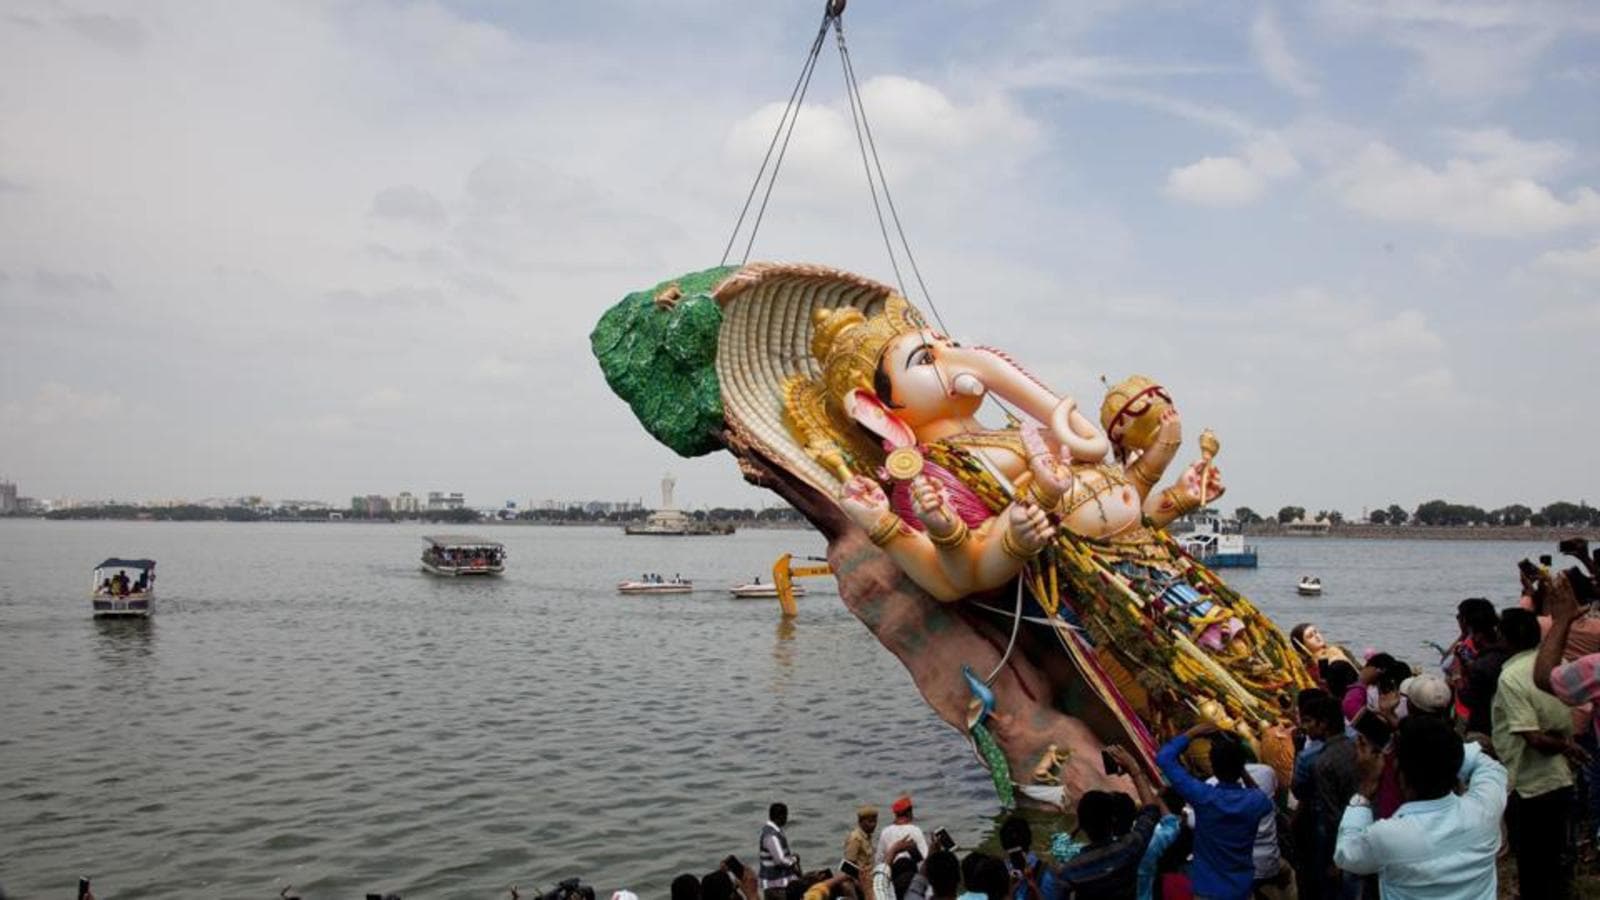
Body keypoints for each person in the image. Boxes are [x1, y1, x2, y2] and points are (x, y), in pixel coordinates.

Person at [1333, 716, 1507, 899]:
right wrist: (1440, 748)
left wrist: (1366, 787)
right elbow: (1488, 765)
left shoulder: (1388, 836)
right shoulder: (1485, 810)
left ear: (1400, 772)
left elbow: (1346, 854)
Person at [1493, 606, 1588, 900]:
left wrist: (1564, 746)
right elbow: (1577, 713)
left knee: (1532, 863)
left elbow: (1532, 736)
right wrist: (1568, 744)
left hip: (1529, 784)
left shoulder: (1511, 677)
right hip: (1561, 778)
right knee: (1557, 857)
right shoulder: (1558, 663)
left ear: (1505, 639)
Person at [1156, 722, 1273, 900]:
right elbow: (1259, 794)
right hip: (1241, 890)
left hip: (1208, 890)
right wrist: (1238, 765)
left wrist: (1193, 732)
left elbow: (1164, 758)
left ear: (1213, 765)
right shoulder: (1256, 801)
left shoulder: (1204, 796)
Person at [1038, 745, 1162, 899]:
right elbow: (1151, 811)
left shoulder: (1069, 870)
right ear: (1113, 819)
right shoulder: (1130, 847)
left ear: (1082, 824)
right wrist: (1134, 769)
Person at [1299, 693, 1357, 900]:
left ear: (1323, 724)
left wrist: (1335, 860)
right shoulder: (1354, 747)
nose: (1304, 727)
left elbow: (1331, 815)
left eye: (1308, 721)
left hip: (1334, 838)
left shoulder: (1322, 762)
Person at [1458, 611, 1507, 738]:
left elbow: (1467, 698)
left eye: (1472, 634)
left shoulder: (1481, 665)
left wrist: (1457, 676)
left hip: (1482, 725)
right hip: (1502, 725)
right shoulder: (1507, 657)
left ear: (1479, 636)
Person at [1134, 787, 1188, 900]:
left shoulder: (1161, 833)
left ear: (1160, 801)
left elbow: (1142, 869)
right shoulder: (1180, 828)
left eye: (1156, 796)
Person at [760, 803, 802, 897]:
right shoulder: (772, 835)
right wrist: (794, 859)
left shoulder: (771, 831)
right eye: (785, 816)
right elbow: (780, 860)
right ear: (780, 816)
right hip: (776, 886)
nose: (786, 819)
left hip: (775, 884)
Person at [876, 796, 929, 866]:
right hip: (911, 873)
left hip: (892, 873)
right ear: (909, 813)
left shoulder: (885, 832)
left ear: (896, 814)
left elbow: (879, 860)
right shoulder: (915, 830)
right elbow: (925, 858)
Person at [843, 806, 879, 900]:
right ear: (861, 822)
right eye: (870, 822)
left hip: (869, 878)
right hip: (861, 881)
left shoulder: (867, 837)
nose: (873, 825)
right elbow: (848, 865)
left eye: (875, 822)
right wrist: (861, 885)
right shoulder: (856, 838)